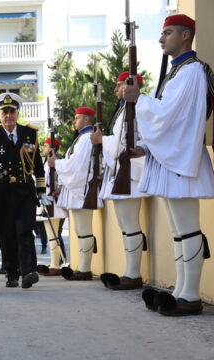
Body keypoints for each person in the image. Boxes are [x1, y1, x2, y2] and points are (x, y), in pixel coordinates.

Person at [124, 14, 214, 316]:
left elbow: (172, 116)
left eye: (167, 33)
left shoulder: (191, 71)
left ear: (185, 35)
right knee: (179, 230)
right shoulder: (176, 72)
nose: (161, 38)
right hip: (171, 158)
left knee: (188, 228)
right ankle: (181, 290)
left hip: (181, 158)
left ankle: (190, 295)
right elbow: (165, 117)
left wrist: (139, 99)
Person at [0, 93, 48, 289]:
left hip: (24, 190)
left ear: (17, 113)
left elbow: (38, 163)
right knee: (7, 234)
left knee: (25, 230)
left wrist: (41, 188)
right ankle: (12, 274)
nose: (8, 116)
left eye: (12, 112)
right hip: (1, 192)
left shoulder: (29, 134)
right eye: (4, 112)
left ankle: (28, 272)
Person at [91, 72, 149, 291]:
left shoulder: (136, 108)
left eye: (118, 85)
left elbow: (122, 143)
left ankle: (133, 273)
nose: (115, 90)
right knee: (126, 226)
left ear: (129, 85)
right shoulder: (126, 109)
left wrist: (101, 139)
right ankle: (130, 271)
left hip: (131, 171)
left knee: (130, 224)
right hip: (123, 171)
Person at [47, 107, 103, 281]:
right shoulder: (81, 138)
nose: (74, 121)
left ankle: (85, 268)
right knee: (79, 229)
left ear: (87, 120)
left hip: (83, 190)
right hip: (77, 190)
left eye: (77, 118)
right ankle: (82, 267)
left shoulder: (86, 138)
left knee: (84, 228)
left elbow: (77, 165)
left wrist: (56, 163)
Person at [36, 138, 68, 276]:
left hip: (54, 203)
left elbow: (61, 179)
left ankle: (56, 265)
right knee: (53, 235)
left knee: (53, 235)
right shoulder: (47, 163)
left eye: (46, 145)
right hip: (47, 201)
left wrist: (58, 188)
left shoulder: (56, 162)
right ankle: (57, 262)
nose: (43, 147)